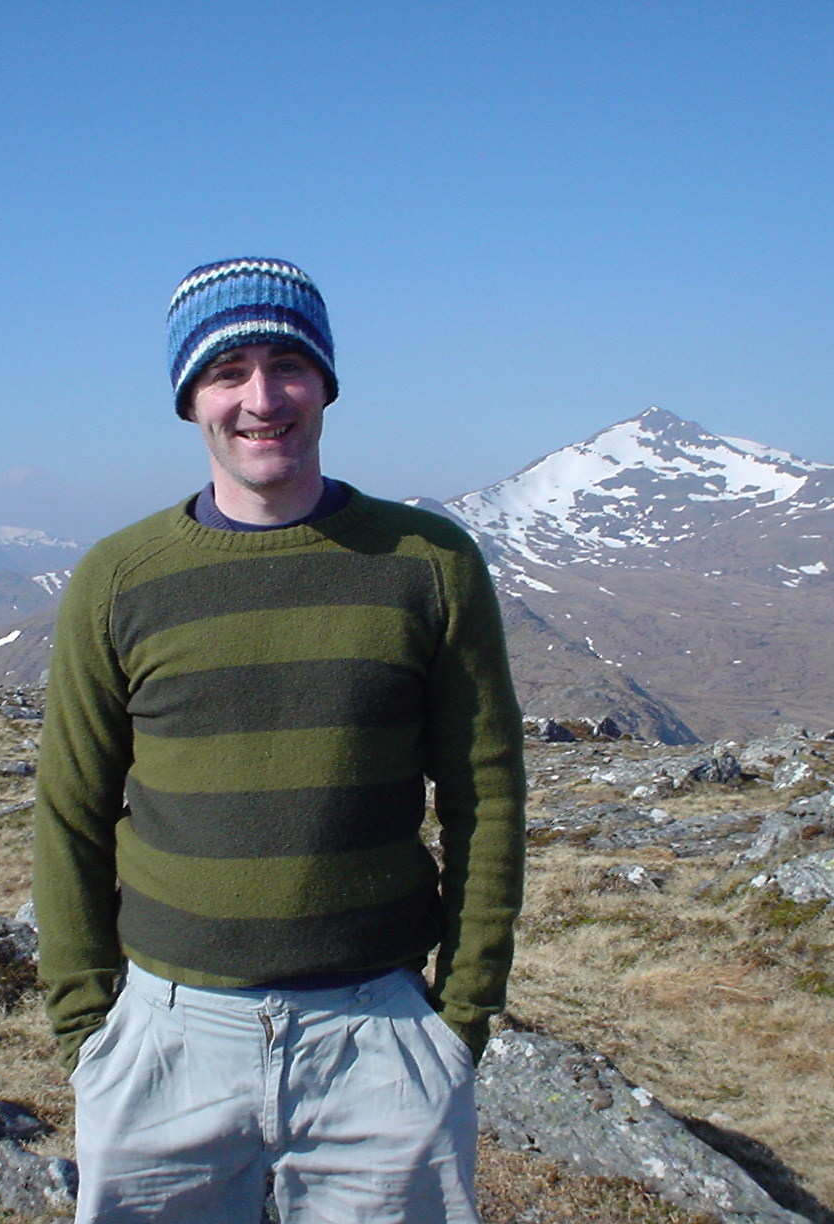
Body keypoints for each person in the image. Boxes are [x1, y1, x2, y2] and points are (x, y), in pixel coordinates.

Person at [33, 257, 526, 1223]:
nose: (262, 398)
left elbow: (487, 796)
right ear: (190, 400)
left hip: (381, 1046)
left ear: (327, 383)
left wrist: (459, 1019)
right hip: (163, 1047)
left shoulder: (429, 564)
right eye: (228, 372)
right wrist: (89, 1031)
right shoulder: (117, 580)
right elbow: (70, 811)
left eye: (288, 364)